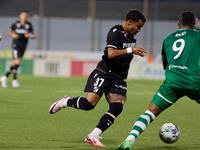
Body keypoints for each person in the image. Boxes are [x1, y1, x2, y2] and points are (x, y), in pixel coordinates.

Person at [49, 9, 147, 147]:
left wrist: (130, 52)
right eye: (138, 26)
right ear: (130, 22)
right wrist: (131, 50)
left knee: (117, 107)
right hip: (105, 73)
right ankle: (65, 102)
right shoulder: (116, 31)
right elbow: (111, 53)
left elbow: (123, 53)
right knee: (88, 105)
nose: (139, 30)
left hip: (118, 78)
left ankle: (93, 135)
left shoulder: (131, 37)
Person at [115, 11, 200, 150]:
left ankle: (129, 139)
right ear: (194, 24)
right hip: (195, 82)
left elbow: (165, 65)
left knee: (150, 112)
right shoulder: (197, 35)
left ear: (178, 23)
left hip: (172, 83)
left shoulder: (168, 39)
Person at [0, 10, 36, 88]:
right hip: (15, 45)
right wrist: (13, 34)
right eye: (23, 15)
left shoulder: (29, 25)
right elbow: (9, 32)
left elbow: (34, 36)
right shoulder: (15, 24)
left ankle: (5, 77)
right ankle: (14, 81)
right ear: (20, 15)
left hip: (23, 46)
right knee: (18, 61)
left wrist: (29, 35)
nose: (24, 17)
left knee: (15, 63)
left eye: (26, 16)